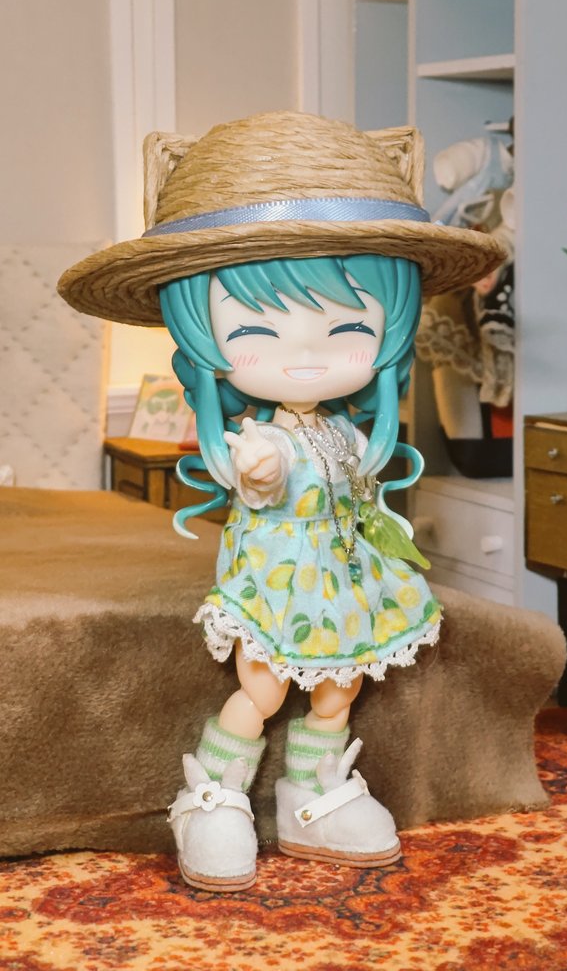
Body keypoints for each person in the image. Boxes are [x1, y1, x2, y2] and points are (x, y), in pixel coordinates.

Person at [58, 110, 504, 892]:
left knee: (341, 685)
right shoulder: (260, 437)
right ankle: (212, 791)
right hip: (279, 579)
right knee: (261, 689)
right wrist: (259, 469)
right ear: (202, 337)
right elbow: (259, 477)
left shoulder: (343, 430)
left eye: (346, 330)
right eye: (258, 332)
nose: (305, 359)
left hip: (347, 577)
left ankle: (313, 789)